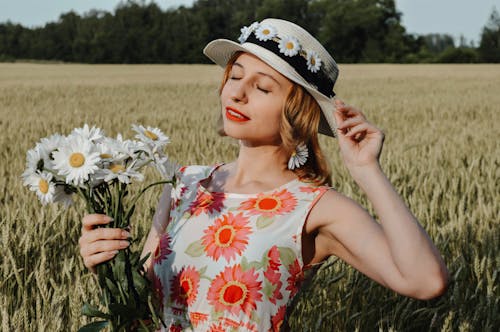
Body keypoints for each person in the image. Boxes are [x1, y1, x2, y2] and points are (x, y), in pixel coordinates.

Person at [78, 18, 449, 331]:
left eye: (262, 87)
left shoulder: (314, 207)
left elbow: (425, 281)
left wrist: (366, 170)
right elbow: (141, 311)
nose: (236, 93)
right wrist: (107, 267)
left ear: (297, 111)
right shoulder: (183, 185)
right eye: (235, 76)